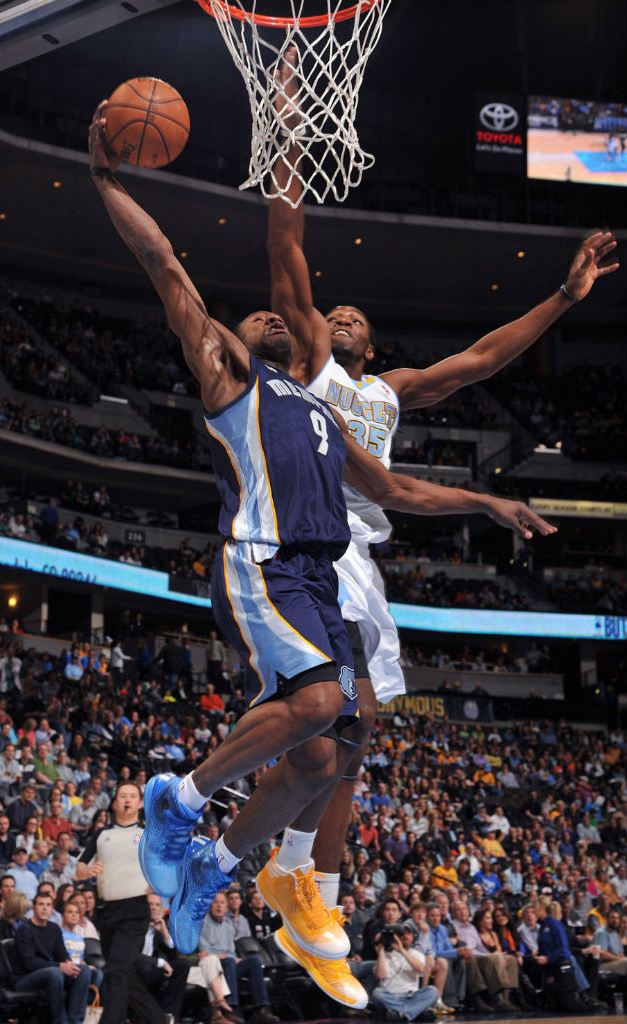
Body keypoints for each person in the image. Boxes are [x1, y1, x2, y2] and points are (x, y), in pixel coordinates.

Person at [88, 100, 554, 972]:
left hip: (322, 574)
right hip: (264, 563)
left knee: (324, 760)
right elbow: (165, 263)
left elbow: (396, 488)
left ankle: (212, 871)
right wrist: (107, 179)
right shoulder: (230, 375)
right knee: (320, 706)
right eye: (265, 318)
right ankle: (178, 800)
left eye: (278, 320)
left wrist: (488, 506)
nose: (274, 319)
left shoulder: (323, 409)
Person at [260, 46, 577, 1005]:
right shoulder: (310, 364)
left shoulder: (389, 393)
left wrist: (563, 297)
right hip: (315, 543)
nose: (343, 313)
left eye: (356, 315)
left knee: (358, 737)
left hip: (365, 558)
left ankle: (309, 888)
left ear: (374, 344)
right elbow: (287, 254)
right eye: (334, 310)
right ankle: (290, 873)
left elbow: (481, 358)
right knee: (334, 723)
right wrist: (284, 138)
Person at [75, 781, 158, 1024]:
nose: (127, 800)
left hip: (136, 909)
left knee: (114, 972)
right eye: (122, 796)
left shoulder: (147, 834)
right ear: (114, 803)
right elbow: (80, 867)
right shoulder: (102, 834)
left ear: (140, 803)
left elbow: (163, 866)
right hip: (107, 911)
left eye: (132, 796)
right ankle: (159, 1020)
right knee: (125, 977)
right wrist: (88, 871)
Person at [199, 893, 279, 1024]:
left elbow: (231, 951)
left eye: (222, 903)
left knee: (254, 961)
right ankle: (231, 1010)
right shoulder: (203, 923)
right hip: (213, 965)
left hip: (229, 963)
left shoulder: (227, 926)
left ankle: (262, 1010)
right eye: (215, 902)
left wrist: (233, 958)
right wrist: (220, 956)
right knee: (230, 961)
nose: (219, 905)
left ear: (226, 908)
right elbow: (204, 949)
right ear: (210, 905)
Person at [12, 891, 90, 1024]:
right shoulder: (24, 929)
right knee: (55, 972)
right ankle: (61, 1021)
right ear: (34, 907)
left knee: (83, 970)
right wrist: (59, 966)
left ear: (52, 908)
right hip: (25, 978)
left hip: (49, 973)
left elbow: (62, 955)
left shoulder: (54, 928)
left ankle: (75, 1020)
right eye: (41, 904)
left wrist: (69, 964)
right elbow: (30, 963)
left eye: (48, 905)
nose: (44, 908)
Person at [136, 893, 191, 1023]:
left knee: (182, 965)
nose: (154, 908)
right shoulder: (136, 926)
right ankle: (138, 1015)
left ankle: (169, 1013)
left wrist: (164, 932)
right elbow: (132, 955)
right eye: (150, 904)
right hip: (134, 971)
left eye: (157, 905)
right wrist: (159, 962)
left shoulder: (157, 928)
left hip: (150, 971)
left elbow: (173, 956)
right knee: (146, 967)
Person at [371, 921, 439, 1022]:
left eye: (408, 933)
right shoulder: (386, 954)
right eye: (401, 933)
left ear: (414, 936)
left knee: (433, 991)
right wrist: (381, 949)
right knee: (377, 993)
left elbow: (421, 969)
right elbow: (381, 975)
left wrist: (402, 951)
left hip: (411, 996)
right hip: (391, 996)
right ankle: (416, 1012)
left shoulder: (416, 954)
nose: (405, 935)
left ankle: (402, 1013)